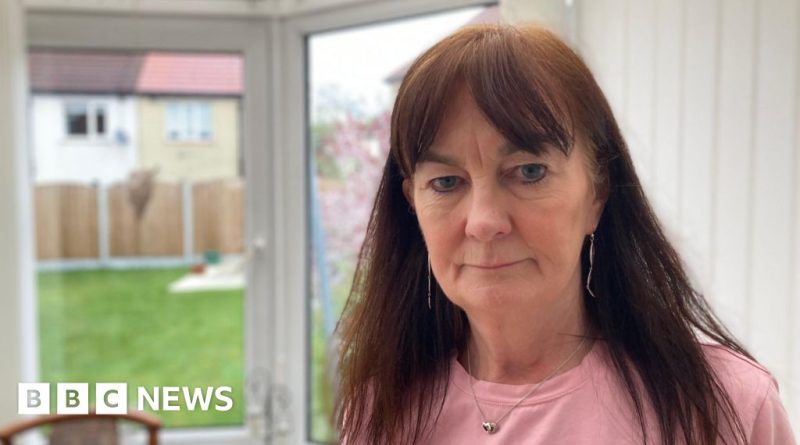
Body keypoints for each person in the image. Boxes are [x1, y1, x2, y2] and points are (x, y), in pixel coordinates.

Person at [336, 23, 796, 444]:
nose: (483, 221)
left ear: (597, 192)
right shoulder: (379, 412)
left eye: (529, 171)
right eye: (446, 182)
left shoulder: (725, 408)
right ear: (413, 204)